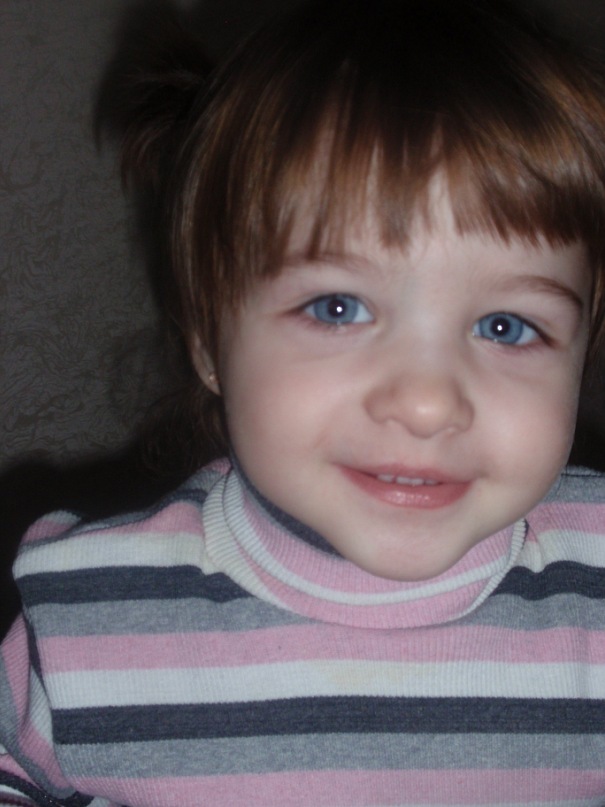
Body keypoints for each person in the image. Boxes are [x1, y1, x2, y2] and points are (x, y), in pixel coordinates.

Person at [2, 0, 605, 803]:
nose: (426, 405)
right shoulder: (88, 621)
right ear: (208, 340)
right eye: (337, 307)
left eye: (506, 325)